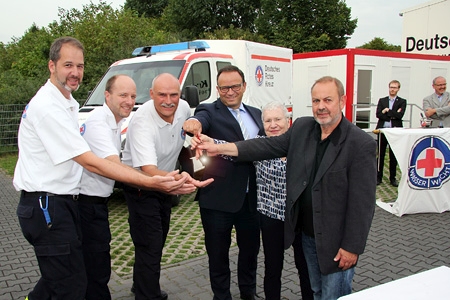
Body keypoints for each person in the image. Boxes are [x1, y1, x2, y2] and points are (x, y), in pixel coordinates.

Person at [13, 37, 194, 300]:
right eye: (68, 65)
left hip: (62, 205)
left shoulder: (69, 104)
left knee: (62, 279)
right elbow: (94, 163)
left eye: (80, 66)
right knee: (73, 286)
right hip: (48, 206)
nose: (75, 72)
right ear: (52, 66)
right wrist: (153, 181)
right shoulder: (50, 107)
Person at [193, 76, 377, 300]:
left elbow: (363, 204)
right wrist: (217, 147)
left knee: (334, 294)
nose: (321, 107)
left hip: (335, 241)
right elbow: (264, 145)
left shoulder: (360, 143)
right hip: (307, 235)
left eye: (328, 100)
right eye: (316, 100)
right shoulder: (304, 128)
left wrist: (352, 246)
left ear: (343, 100)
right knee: (317, 290)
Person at [192, 101, 313, 300]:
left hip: (298, 215)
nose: (273, 124)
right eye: (268, 120)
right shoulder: (259, 144)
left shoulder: (301, 143)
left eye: (278, 119)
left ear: (288, 120)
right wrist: (211, 142)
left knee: (305, 266)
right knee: (273, 267)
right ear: (262, 123)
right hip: (270, 216)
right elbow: (236, 148)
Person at [121, 73, 213, 300]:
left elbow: (185, 144)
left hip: (166, 181)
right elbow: (149, 170)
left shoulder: (182, 108)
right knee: (149, 243)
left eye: (174, 94)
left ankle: (141, 283)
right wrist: (183, 179)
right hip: (141, 186)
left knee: (158, 239)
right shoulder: (142, 121)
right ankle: (148, 294)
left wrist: (197, 167)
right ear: (151, 94)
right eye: (162, 94)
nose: (168, 100)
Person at [183, 65, 264, 300]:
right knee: (218, 256)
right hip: (218, 198)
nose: (230, 91)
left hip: (252, 198)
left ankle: (249, 293)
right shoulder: (209, 110)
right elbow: (200, 120)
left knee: (250, 252)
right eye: (224, 87)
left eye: (235, 86)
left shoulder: (256, 114)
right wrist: (194, 124)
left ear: (244, 87)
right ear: (217, 89)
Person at [78, 74, 137, 299]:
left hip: (96, 203)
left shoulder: (116, 121)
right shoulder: (97, 122)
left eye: (132, 96)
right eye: (123, 95)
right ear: (107, 95)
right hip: (86, 204)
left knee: (92, 265)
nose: (129, 101)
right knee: (97, 267)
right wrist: (155, 182)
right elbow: (114, 166)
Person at [375, 80, 407, 187]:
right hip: (383, 131)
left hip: (395, 132)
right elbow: (378, 115)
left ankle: (392, 178)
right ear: (388, 88)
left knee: (393, 156)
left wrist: (387, 111)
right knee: (380, 155)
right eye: (391, 87)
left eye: (395, 87)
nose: (392, 89)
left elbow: (400, 116)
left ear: (398, 89)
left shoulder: (402, 101)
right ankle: (378, 177)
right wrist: (392, 113)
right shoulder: (382, 100)